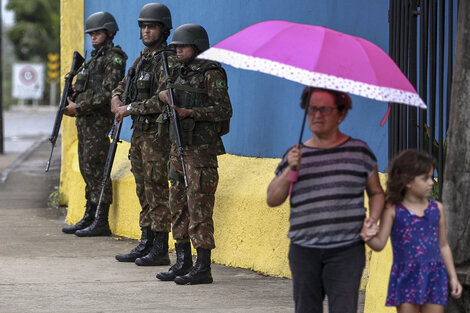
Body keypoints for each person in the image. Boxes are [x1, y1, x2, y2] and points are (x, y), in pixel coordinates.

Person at [266, 87, 385, 313]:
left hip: (347, 250)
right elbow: (273, 199)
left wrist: (373, 219)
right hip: (304, 249)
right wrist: (289, 169)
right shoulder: (295, 154)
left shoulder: (359, 152)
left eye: (324, 109)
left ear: (341, 114)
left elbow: (377, 192)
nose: (317, 115)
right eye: (312, 109)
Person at [155, 24, 232, 285]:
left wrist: (192, 113)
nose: (177, 51)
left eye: (183, 47)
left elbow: (224, 109)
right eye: (175, 47)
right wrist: (164, 96)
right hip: (178, 148)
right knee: (177, 206)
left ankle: (203, 267)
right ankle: (183, 261)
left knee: (199, 208)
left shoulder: (212, 73)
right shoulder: (175, 72)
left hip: (200, 153)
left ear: (197, 47)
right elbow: (161, 97)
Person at [360, 149, 462, 313]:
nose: (431, 182)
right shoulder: (393, 210)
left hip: (434, 276)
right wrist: (367, 235)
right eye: (425, 178)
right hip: (406, 277)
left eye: (431, 177)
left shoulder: (437, 209)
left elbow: (443, 246)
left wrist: (453, 277)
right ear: (408, 182)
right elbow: (379, 243)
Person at [111, 3, 173, 266]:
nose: (146, 31)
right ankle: (146, 241)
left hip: (157, 137)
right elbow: (124, 84)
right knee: (142, 189)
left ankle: (160, 247)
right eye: (143, 27)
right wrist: (116, 98)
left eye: (152, 26)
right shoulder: (142, 58)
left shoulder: (166, 60)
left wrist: (129, 108)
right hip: (140, 136)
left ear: (163, 29)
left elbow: (163, 101)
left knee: (157, 190)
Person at [62, 11, 127, 237]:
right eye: (91, 34)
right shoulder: (92, 59)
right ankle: (89, 214)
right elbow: (87, 90)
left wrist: (79, 107)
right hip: (85, 123)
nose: (93, 37)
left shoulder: (114, 58)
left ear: (109, 33)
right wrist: (72, 96)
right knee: (87, 168)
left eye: (97, 33)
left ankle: (101, 219)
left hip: (98, 123)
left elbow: (108, 92)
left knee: (98, 171)